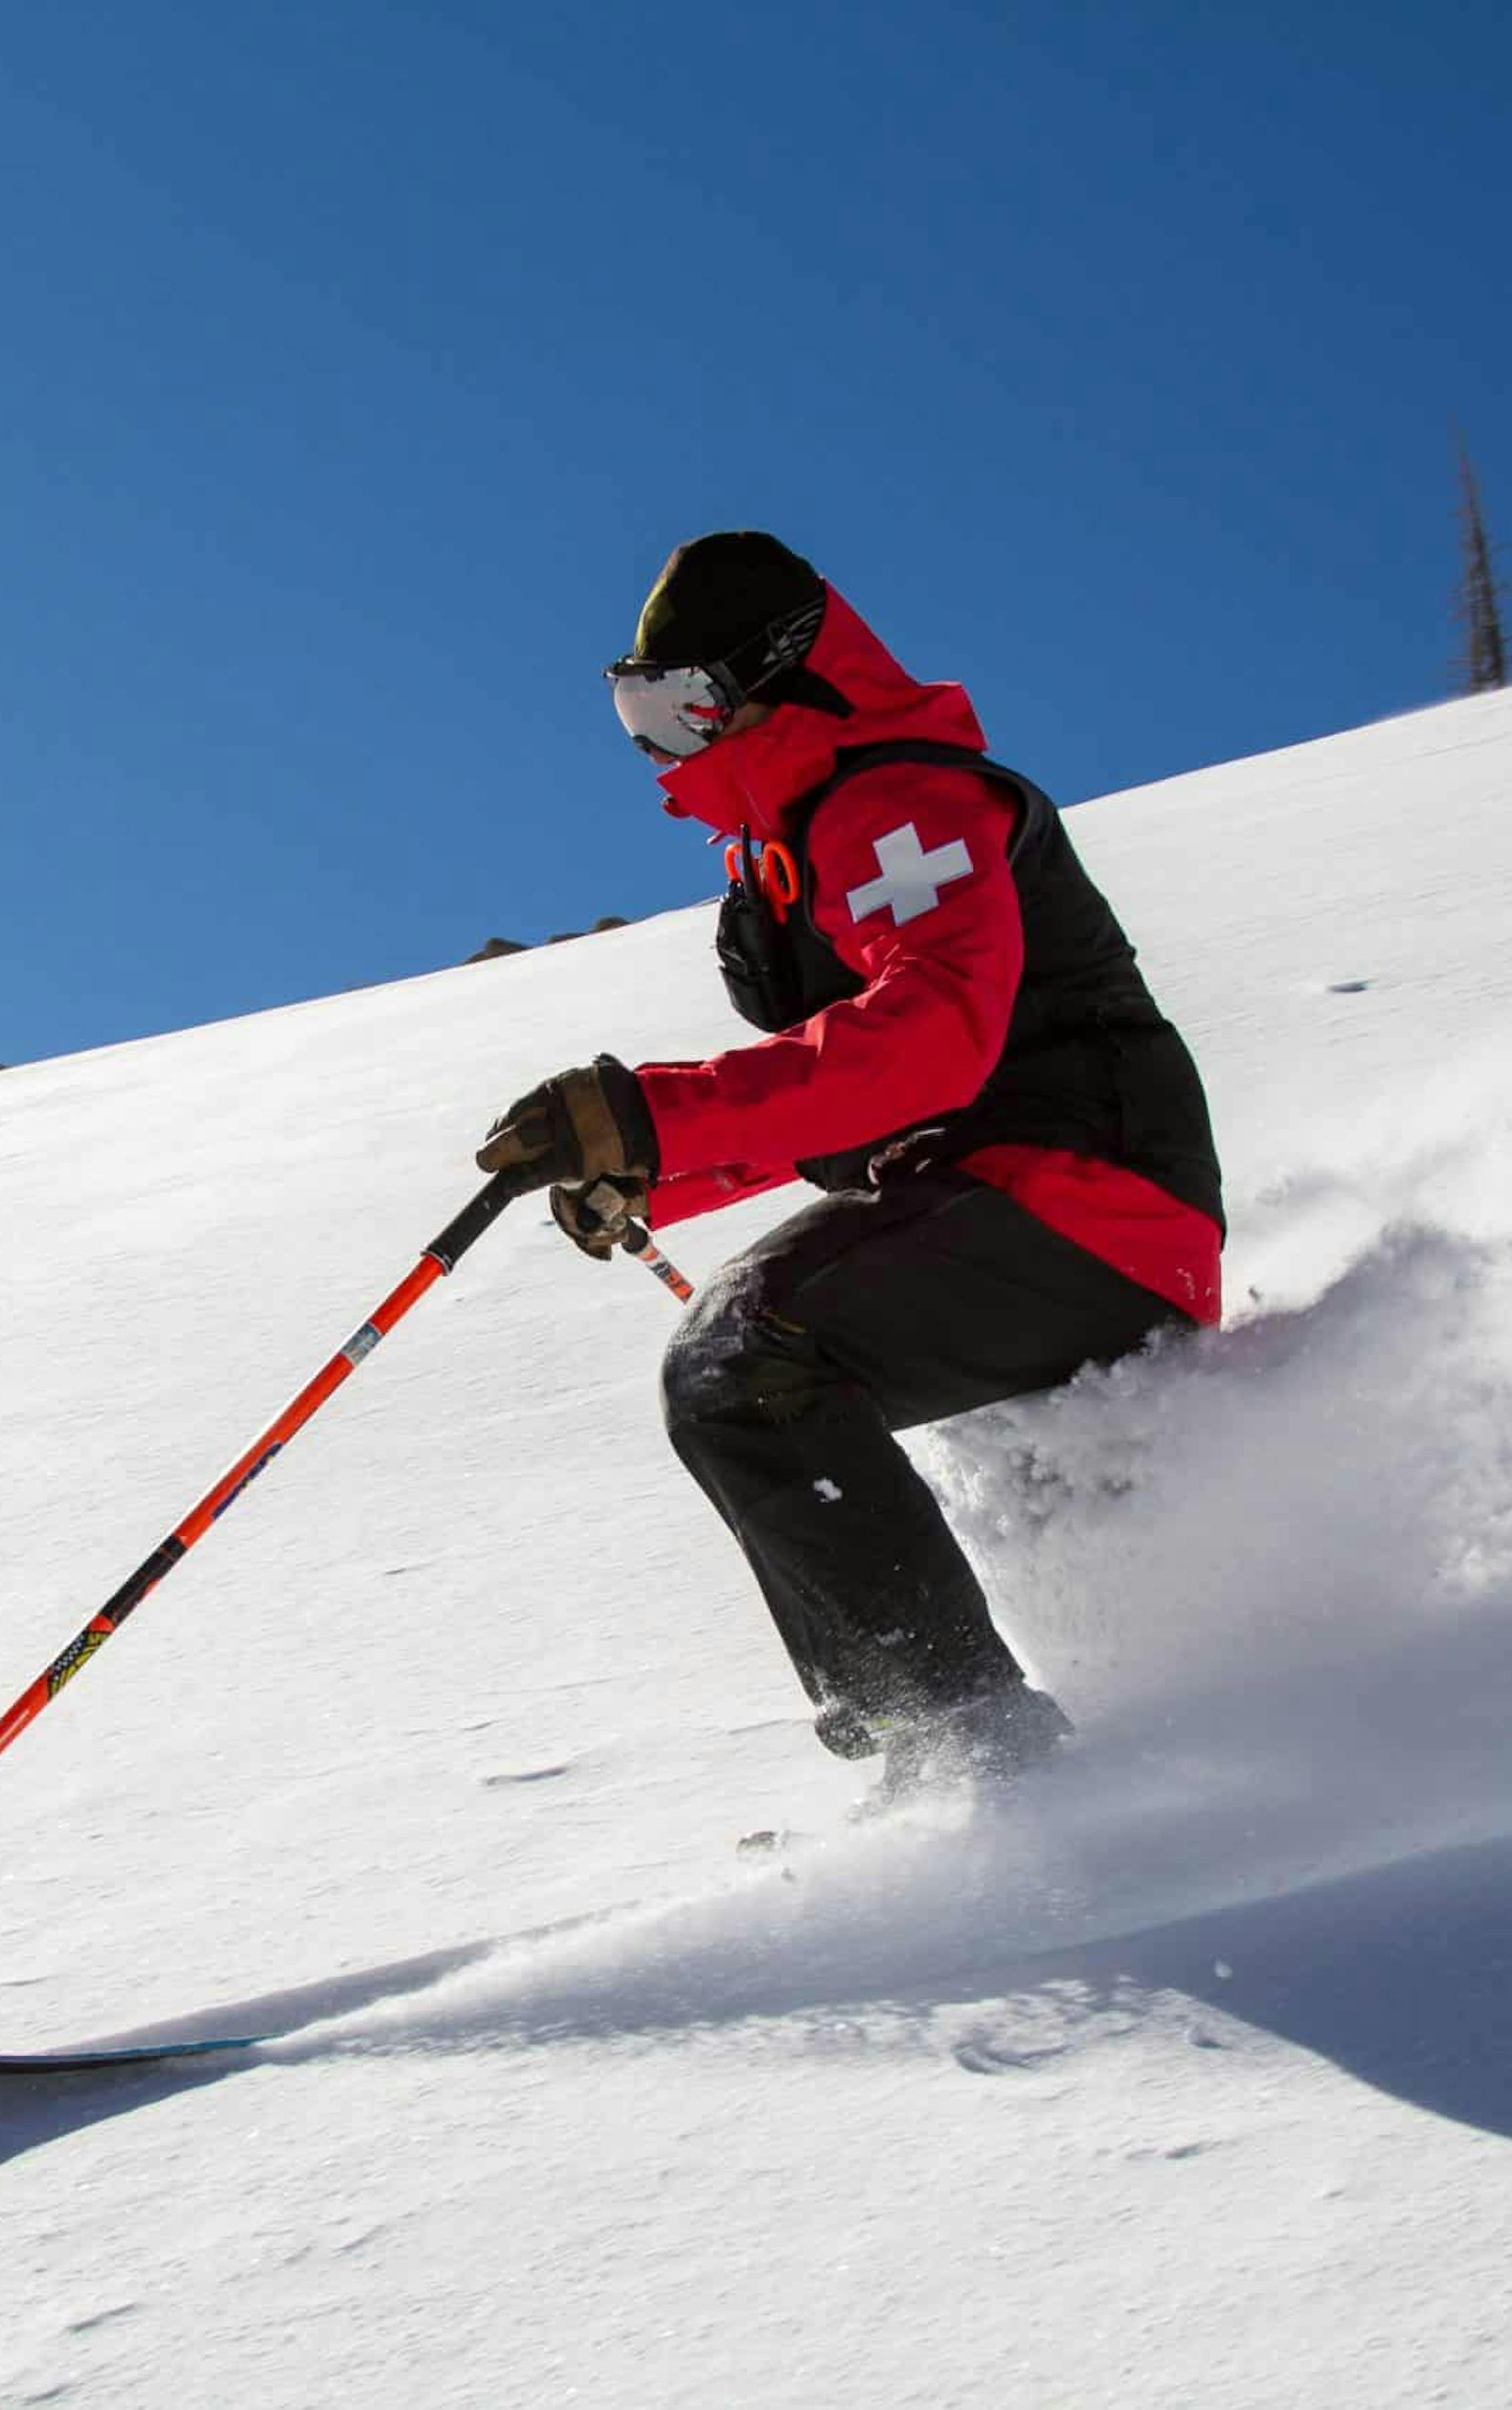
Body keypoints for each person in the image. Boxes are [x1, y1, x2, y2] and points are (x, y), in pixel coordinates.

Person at [475, 532, 1225, 1797]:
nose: (666, 744)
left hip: (1089, 1193)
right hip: (991, 1207)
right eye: (637, 710)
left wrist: (653, 1115)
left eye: (686, 704)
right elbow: (842, 1106)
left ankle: (970, 1747)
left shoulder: (900, 804)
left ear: (781, 675)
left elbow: (929, 1042)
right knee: (732, 1372)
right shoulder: (785, 866)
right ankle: (927, 1748)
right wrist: (657, 1173)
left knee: (740, 1364)